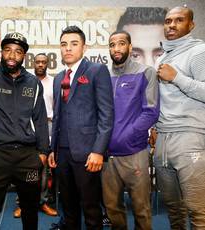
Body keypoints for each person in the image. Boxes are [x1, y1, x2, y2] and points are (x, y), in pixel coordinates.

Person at [0, 32, 50, 230]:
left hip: (27, 157)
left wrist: (42, 153)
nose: (12, 55)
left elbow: (40, 119)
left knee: (30, 208)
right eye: (8, 50)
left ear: (24, 56)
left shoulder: (33, 82)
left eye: (18, 51)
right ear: (1, 52)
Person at [48, 25, 114, 230]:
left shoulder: (96, 71)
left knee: (91, 210)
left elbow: (107, 114)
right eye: (64, 44)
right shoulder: (59, 77)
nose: (68, 48)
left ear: (84, 47)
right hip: (63, 154)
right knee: (68, 209)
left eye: (74, 44)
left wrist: (98, 151)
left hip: (87, 154)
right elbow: (58, 115)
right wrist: (53, 149)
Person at [102, 30, 160, 230]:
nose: (116, 48)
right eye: (112, 44)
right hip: (107, 156)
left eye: (120, 43)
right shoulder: (102, 75)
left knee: (141, 209)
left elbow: (151, 112)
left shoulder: (146, 72)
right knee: (112, 208)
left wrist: (127, 136)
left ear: (129, 46)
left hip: (134, 153)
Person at [154, 6, 205, 230]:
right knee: (173, 209)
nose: (171, 25)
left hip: (189, 137)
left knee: (197, 209)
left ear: (191, 25)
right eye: (168, 21)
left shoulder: (199, 51)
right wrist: (154, 128)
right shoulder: (163, 56)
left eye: (178, 20)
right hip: (163, 139)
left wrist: (177, 78)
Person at [13, 53, 57, 218]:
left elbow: (57, 106)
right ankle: (22, 204)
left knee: (43, 167)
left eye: (43, 62)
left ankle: (42, 202)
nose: (40, 65)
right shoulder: (26, 81)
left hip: (48, 125)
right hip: (28, 126)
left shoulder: (54, 83)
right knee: (23, 166)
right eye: (37, 62)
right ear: (33, 63)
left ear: (47, 64)